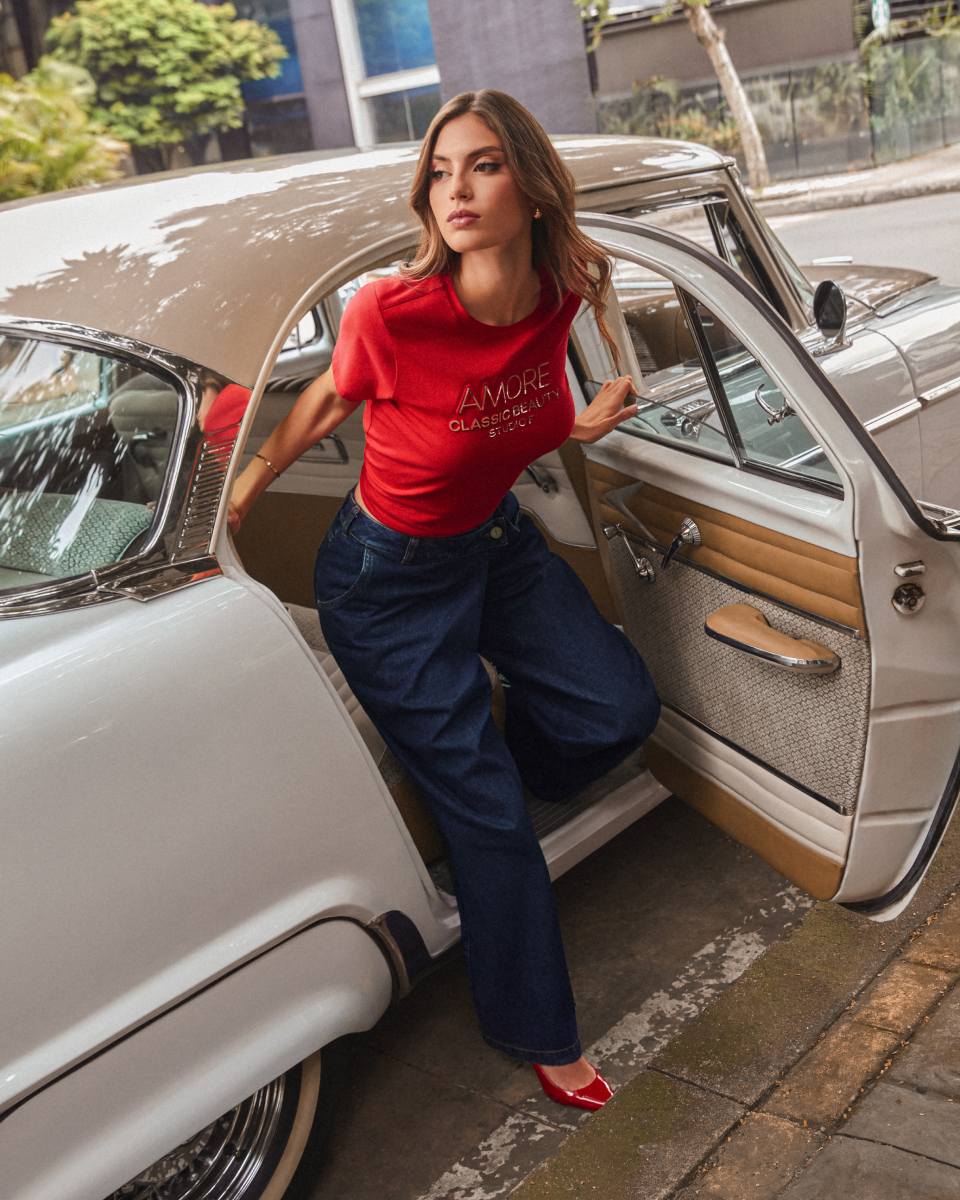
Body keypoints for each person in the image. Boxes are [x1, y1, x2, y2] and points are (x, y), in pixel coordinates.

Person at [229, 90, 660, 1111]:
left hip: (496, 542)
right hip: (389, 581)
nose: (455, 189)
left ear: (534, 186)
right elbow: (334, 395)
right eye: (440, 170)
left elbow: (534, 390)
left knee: (618, 709)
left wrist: (585, 425)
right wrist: (245, 487)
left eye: (484, 166)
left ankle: (486, 794)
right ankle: (539, 1030)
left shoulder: (563, 287)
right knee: (495, 822)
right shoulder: (395, 308)